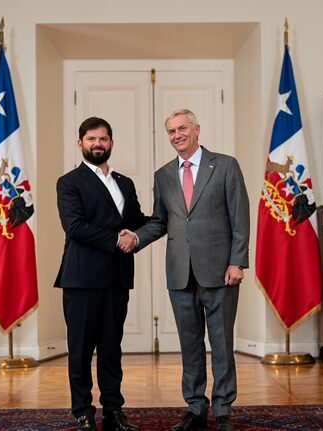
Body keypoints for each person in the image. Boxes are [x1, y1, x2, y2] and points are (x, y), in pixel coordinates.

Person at [120, 108, 250, 431]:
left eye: (182, 128)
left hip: (220, 272)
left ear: (196, 129)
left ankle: (223, 409)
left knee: (221, 343)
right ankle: (195, 407)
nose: (177, 135)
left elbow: (240, 217)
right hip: (180, 274)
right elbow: (159, 222)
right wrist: (136, 237)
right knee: (190, 345)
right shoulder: (163, 175)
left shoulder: (225, 166)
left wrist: (237, 261)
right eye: (171, 131)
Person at [54, 117, 146, 431]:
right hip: (81, 279)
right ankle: (83, 412)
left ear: (111, 143)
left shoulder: (125, 183)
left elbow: (136, 221)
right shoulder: (69, 182)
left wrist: (167, 220)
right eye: (91, 139)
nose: (97, 144)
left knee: (111, 349)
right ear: (80, 143)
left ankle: (113, 411)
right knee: (80, 350)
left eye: (103, 139)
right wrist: (117, 240)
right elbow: (75, 227)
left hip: (117, 278)